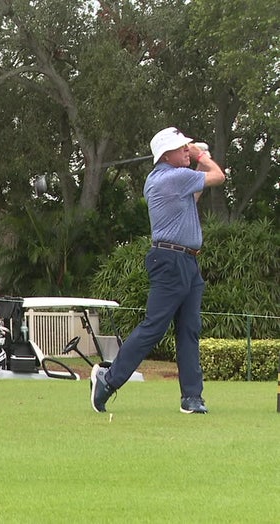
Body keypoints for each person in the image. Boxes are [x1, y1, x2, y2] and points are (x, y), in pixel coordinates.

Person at [91, 127, 225, 415]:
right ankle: (108, 381)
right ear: (167, 154)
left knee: (189, 330)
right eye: (182, 148)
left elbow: (195, 195)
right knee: (154, 328)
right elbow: (219, 176)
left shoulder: (173, 179)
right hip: (169, 260)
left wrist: (197, 158)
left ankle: (192, 397)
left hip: (187, 262)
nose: (187, 151)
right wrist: (202, 155)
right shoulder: (171, 177)